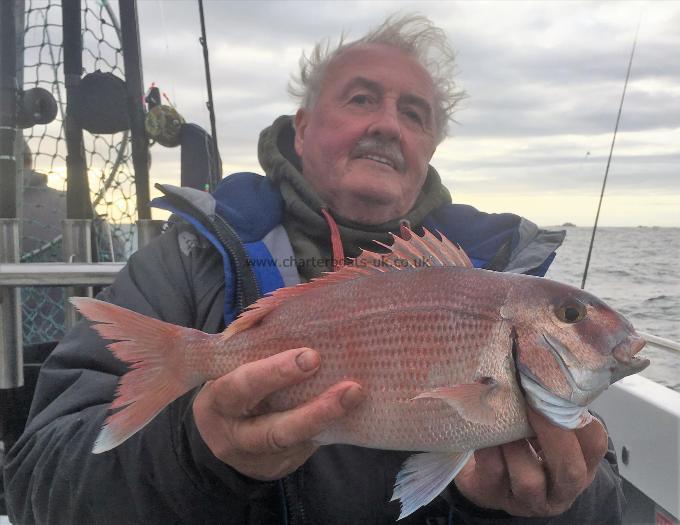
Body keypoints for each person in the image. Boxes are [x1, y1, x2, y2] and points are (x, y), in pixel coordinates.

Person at [4, 15, 624, 524]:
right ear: (301, 129)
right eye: (361, 99)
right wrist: (198, 452)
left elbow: (604, 507)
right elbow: (38, 486)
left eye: (415, 114)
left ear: (429, 149)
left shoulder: (508, 286)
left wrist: (536, 507)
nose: (387, 124)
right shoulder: (190, 263)